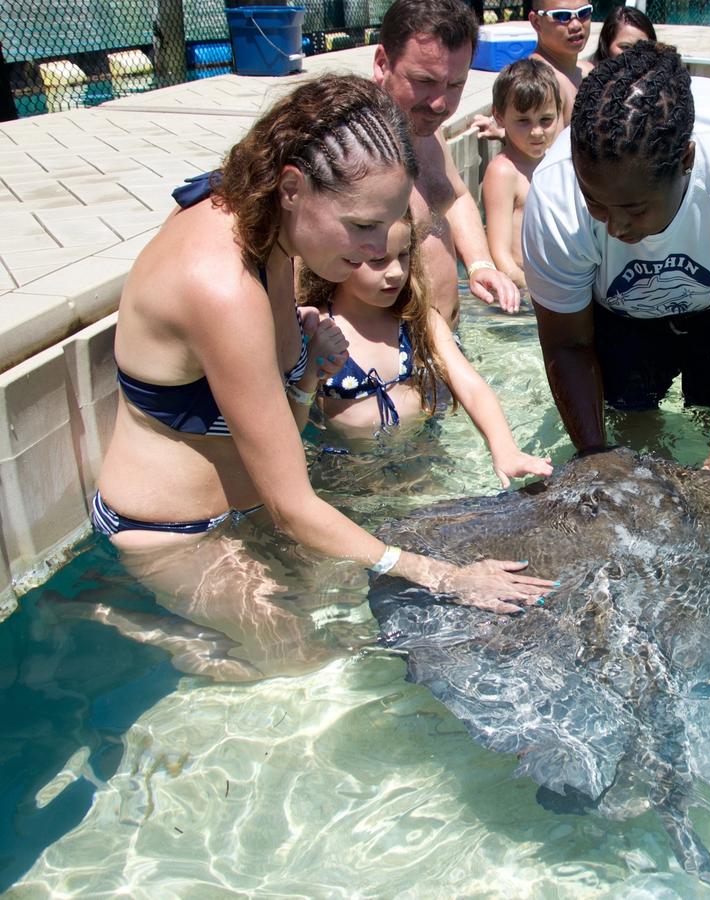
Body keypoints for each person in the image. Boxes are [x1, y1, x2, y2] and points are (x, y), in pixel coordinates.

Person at [91, 75, 553, 681]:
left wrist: (307, 369)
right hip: (173, 533)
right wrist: (444, 575)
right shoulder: (221, 287)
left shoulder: (268, 232)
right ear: (292, 187)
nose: (375, 250)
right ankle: (119, 616)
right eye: (361, 226)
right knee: (295, 666)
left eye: (388, 227)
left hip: (248, 514)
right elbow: (293, 504)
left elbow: (281, 425)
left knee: (350, 624)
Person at [523, 43, 710, 497]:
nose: (617, 227)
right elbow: (568, 342)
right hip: (619, 313)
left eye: (634, 209)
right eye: (596, 203)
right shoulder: (555, 192)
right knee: (627, 426)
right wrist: (595, 459)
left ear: (686, 160)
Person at [298, 213, 554, 486]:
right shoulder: (316, 329)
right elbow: (291, 425)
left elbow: (471, 387)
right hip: (349, 471)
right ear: (338, 259)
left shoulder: (417, 321)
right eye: (378, 260)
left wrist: (504, 449)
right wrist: (310, 373)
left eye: (404, 255)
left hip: (421, 458)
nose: (396, 271)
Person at [373, 0, 521, 326]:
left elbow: (456, 196)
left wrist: (481, 265)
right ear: (383, 63)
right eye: (424, 81)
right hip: (398, 357)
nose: (441, 104)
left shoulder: (426, 128)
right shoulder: (357, 150)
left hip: (447, 340)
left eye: (455, 85)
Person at [481, 58, 562, 290]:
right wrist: (535, 291)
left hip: (548, 282)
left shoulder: (552, 162)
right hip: (522, 286)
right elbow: (499, 254)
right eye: (523, 121)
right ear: (499, 117)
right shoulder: (504, 172)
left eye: (546, 120)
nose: (537, 132)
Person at [472, 0, 593, 139]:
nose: (576, 25)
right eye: (562, 16)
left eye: (584, 13)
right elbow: (546, 153)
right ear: (536, 22)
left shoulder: (588, 70)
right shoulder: (545, 82)